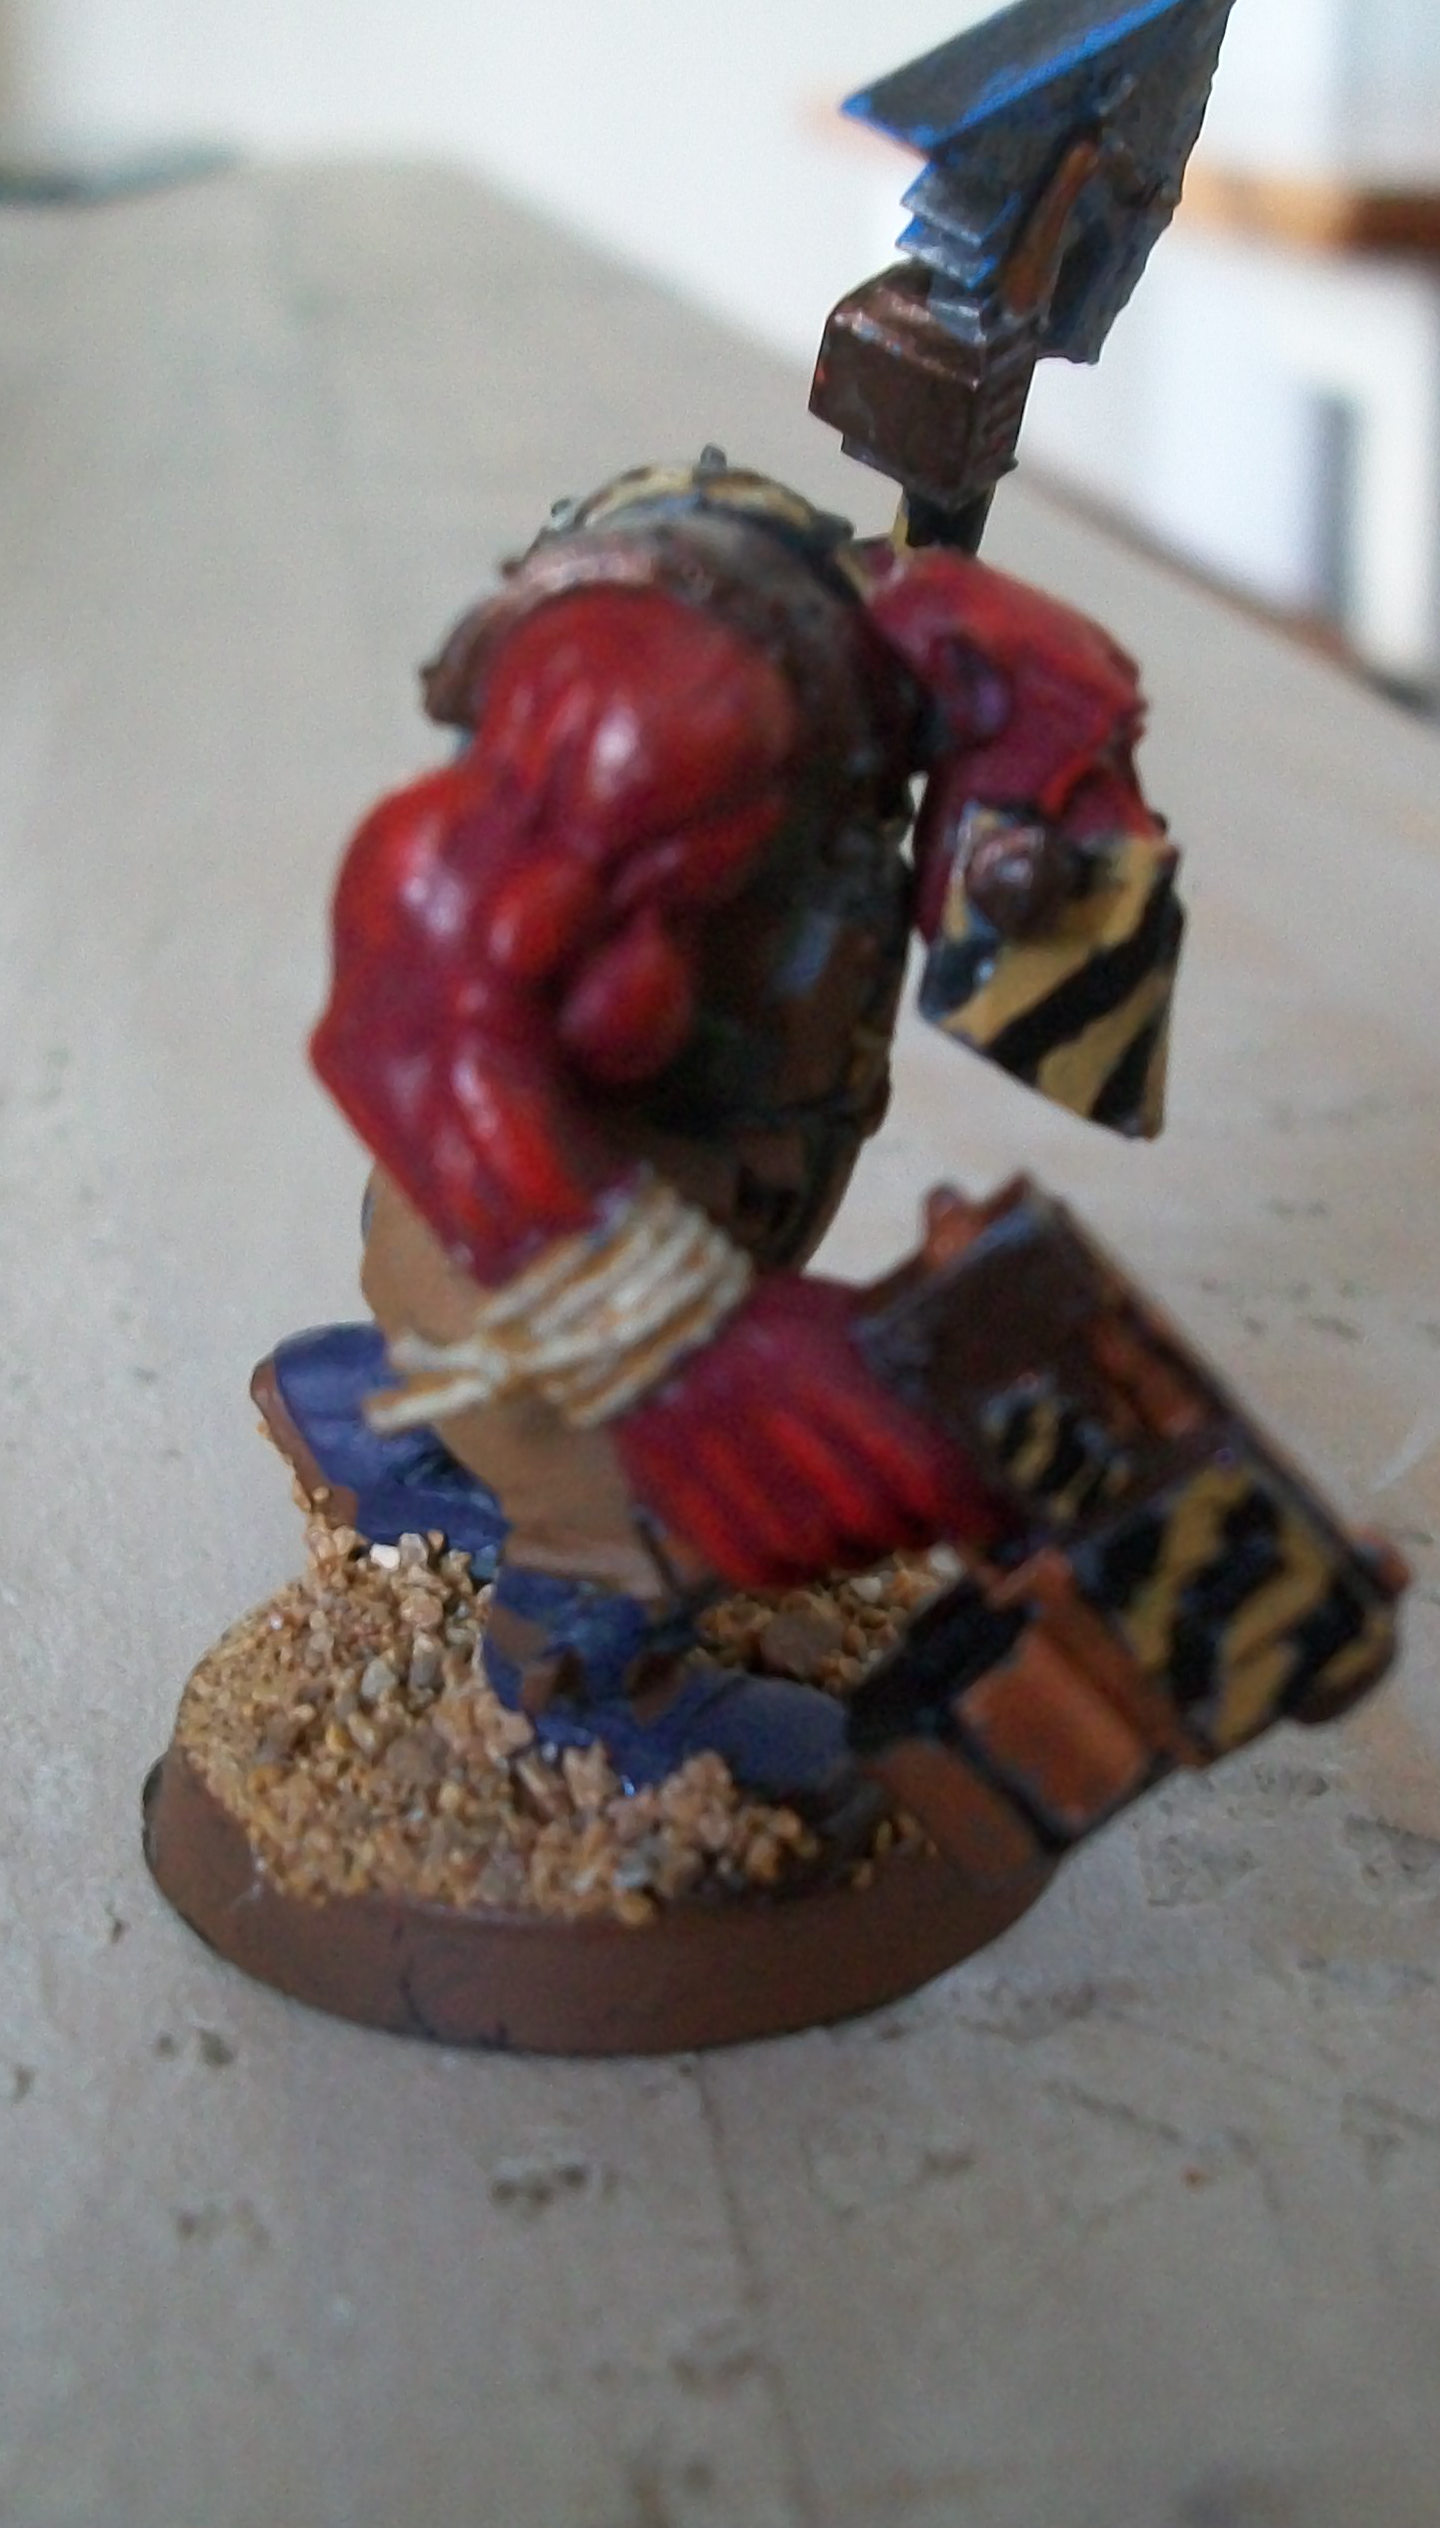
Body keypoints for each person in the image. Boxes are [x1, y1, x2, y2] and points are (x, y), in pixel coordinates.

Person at [262, 457, 1172, 1796]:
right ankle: (580, 1691)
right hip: (514, 1230)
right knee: (679, 1484)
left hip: (664, 1162)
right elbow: (425, 1028)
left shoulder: (873, 661)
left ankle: (394, 1419)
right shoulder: (613, 766)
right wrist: (689, 1342)